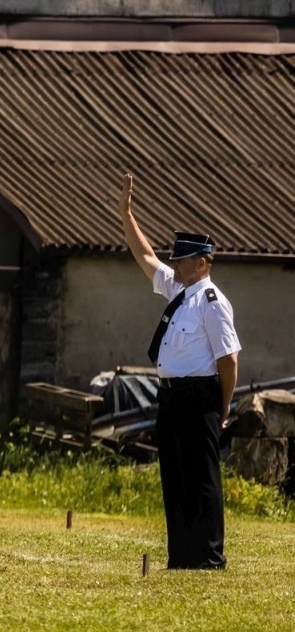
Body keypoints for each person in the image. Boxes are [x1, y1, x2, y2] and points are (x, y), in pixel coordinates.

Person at [120, 174, 240, 570]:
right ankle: (182, 555)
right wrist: (127, 215)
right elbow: (146, 257)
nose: (175, 265)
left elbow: (228, 361)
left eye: (183, 260)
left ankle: (208, 555)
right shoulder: (178, 292)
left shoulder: (211, 301)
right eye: (176, 260)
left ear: (202, 262)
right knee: (175, 477)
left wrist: (221, 409)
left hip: (201, 396)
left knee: (202, 478)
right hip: (170, 395)